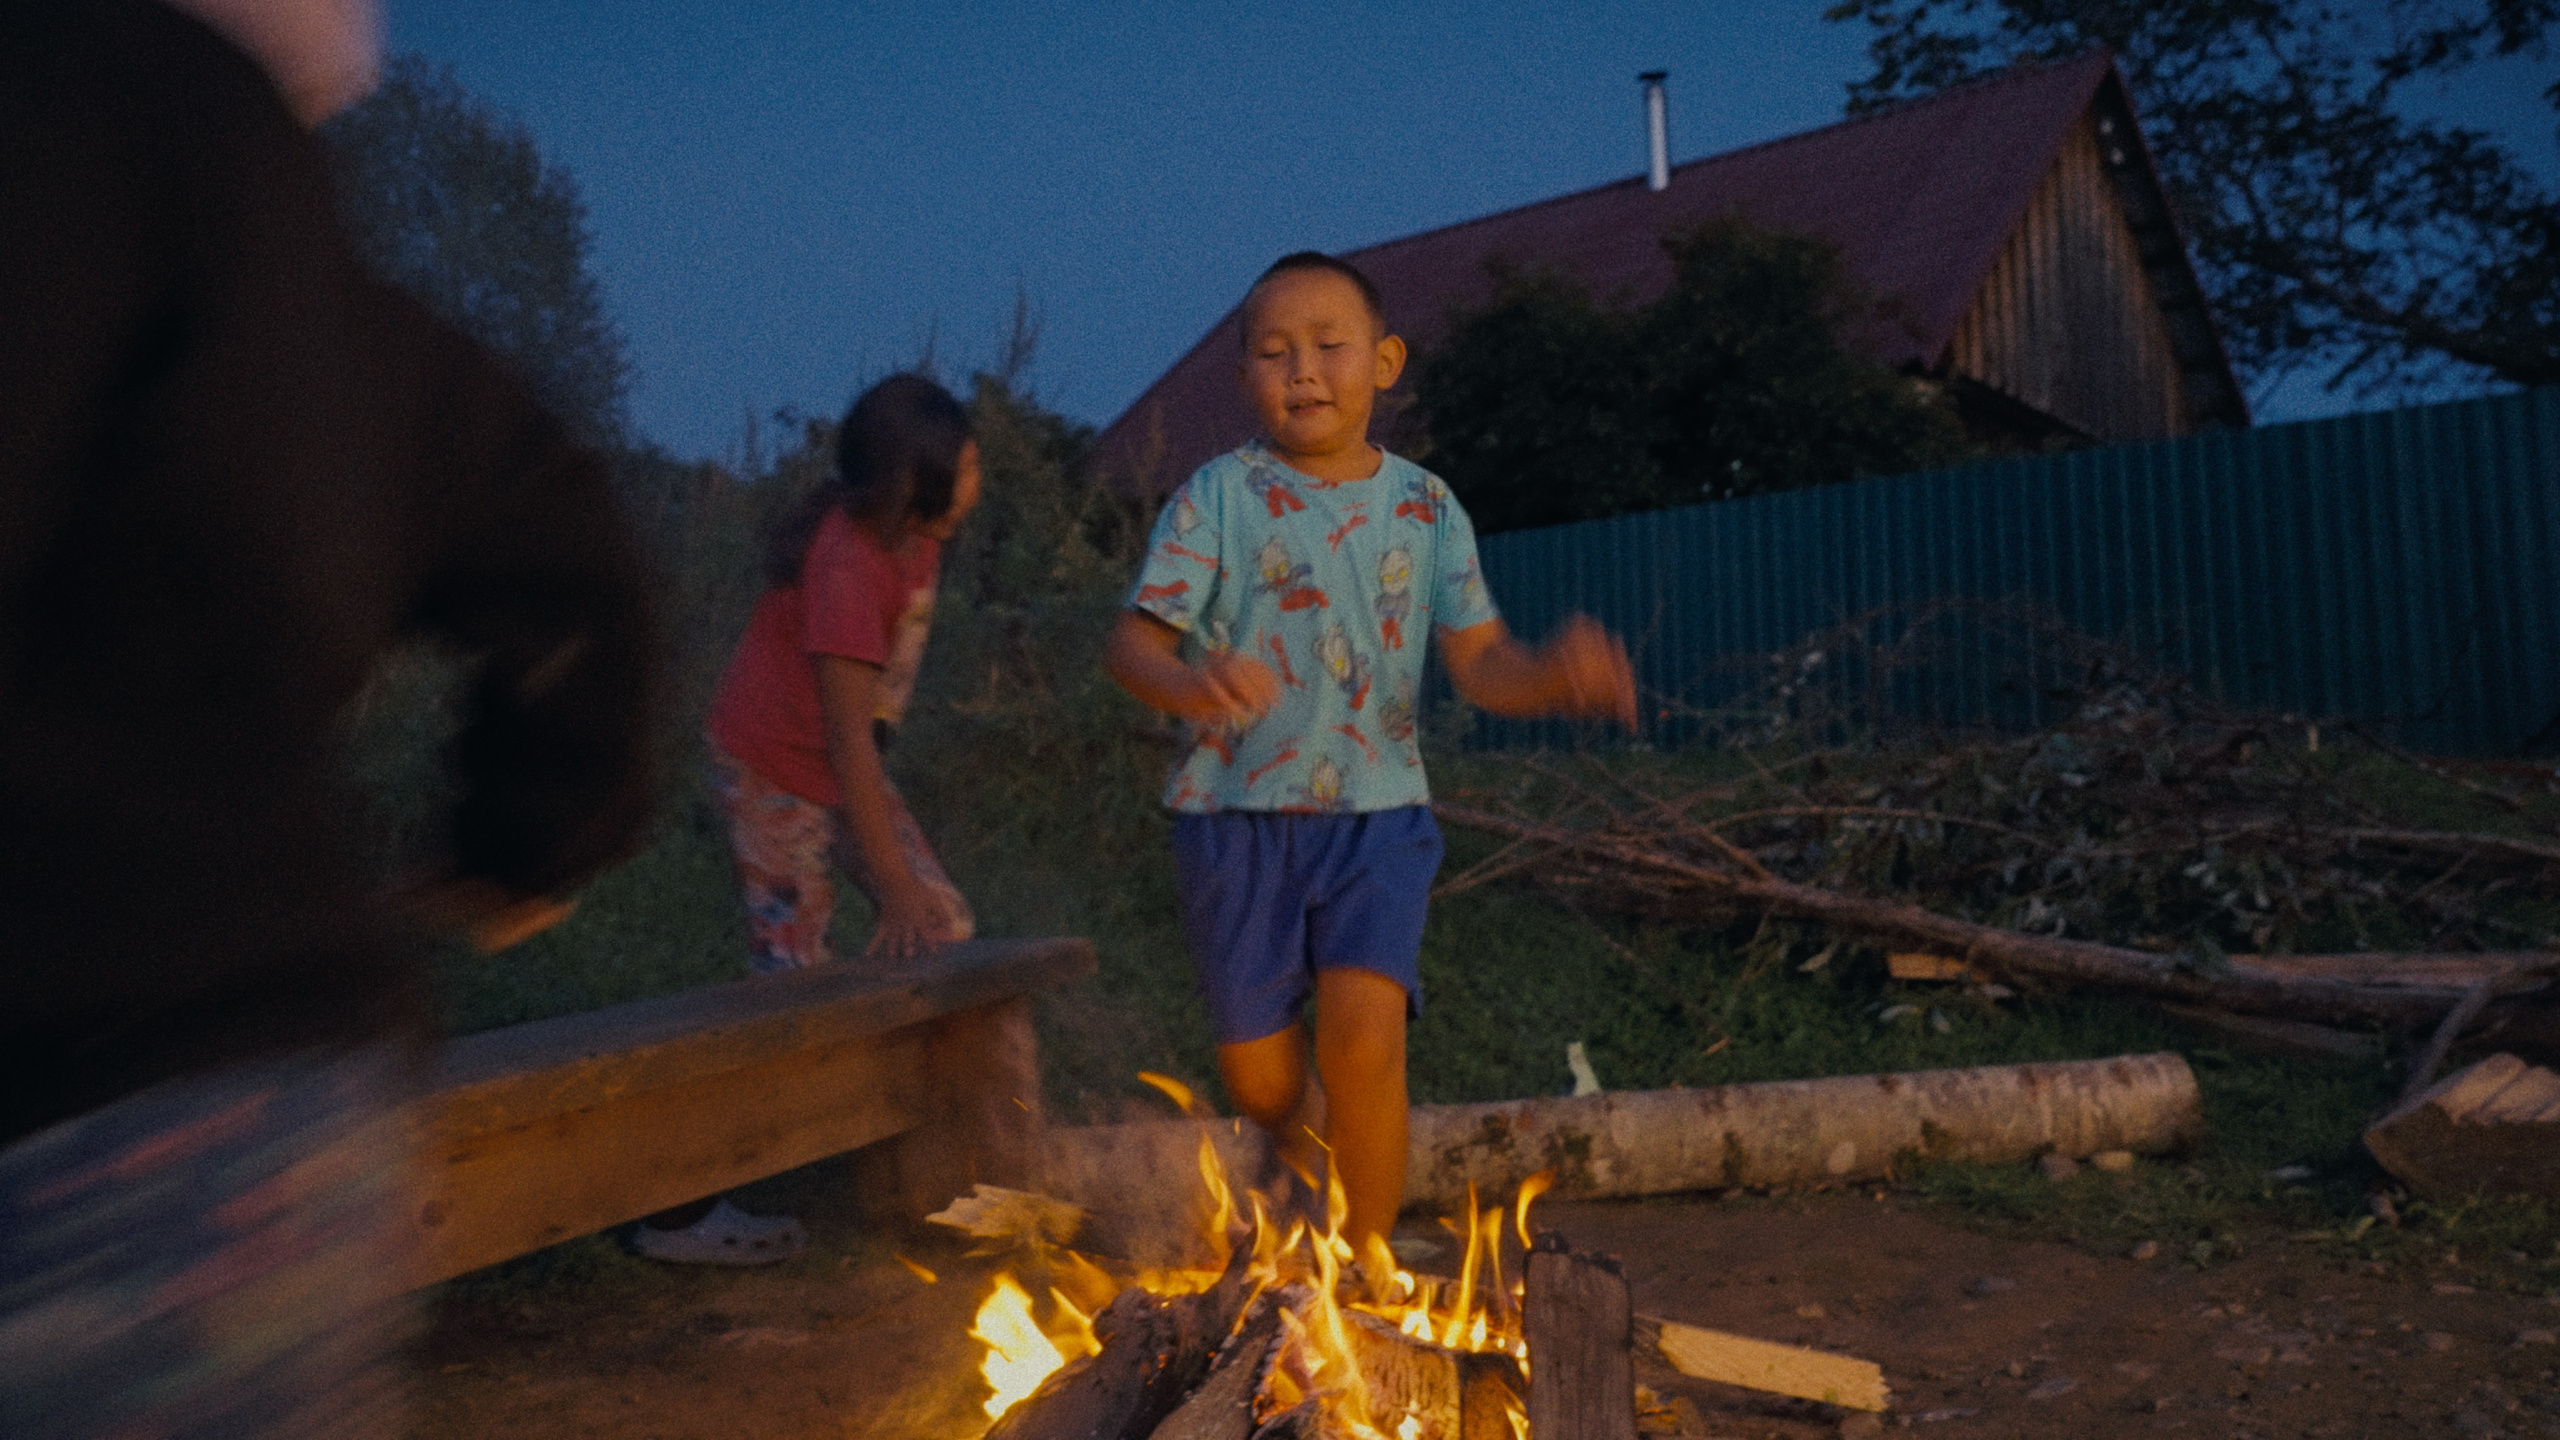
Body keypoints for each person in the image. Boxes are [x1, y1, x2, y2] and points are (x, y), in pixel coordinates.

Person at [0, 0, 660, 1434]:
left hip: (67, 1080)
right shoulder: (326, 311)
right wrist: (529, 835)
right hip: (290, 1106)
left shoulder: (46, 148)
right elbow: (574, 552)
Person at [1103, 252, 1636, 1273]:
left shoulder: (1427, 508)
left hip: (1379, 820)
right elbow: (1131, 645)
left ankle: (1367, 1265)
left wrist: (1552, 676)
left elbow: (1482, 664)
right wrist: (1190, 680)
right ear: (1244, 378)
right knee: (1261, 1082)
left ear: (1384, 363)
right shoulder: (1217, 498)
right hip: (1230, 822)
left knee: (1365, 1043)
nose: (1302, 369)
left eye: (1327, 345)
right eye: (1273, 353)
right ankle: (1299, 1145)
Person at [633, 373, 982, 1265]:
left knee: (941, 929)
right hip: (770, 770)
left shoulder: (915, 534)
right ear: (909, 487)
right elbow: (846, 740)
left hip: (840, 764)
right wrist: (890, 882)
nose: (978, 479)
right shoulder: (845, 569)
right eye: (966, 467)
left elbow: (865, 736)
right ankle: (678, 1210)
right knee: (792, 986)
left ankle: (913, 1164)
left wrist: (904, 887)